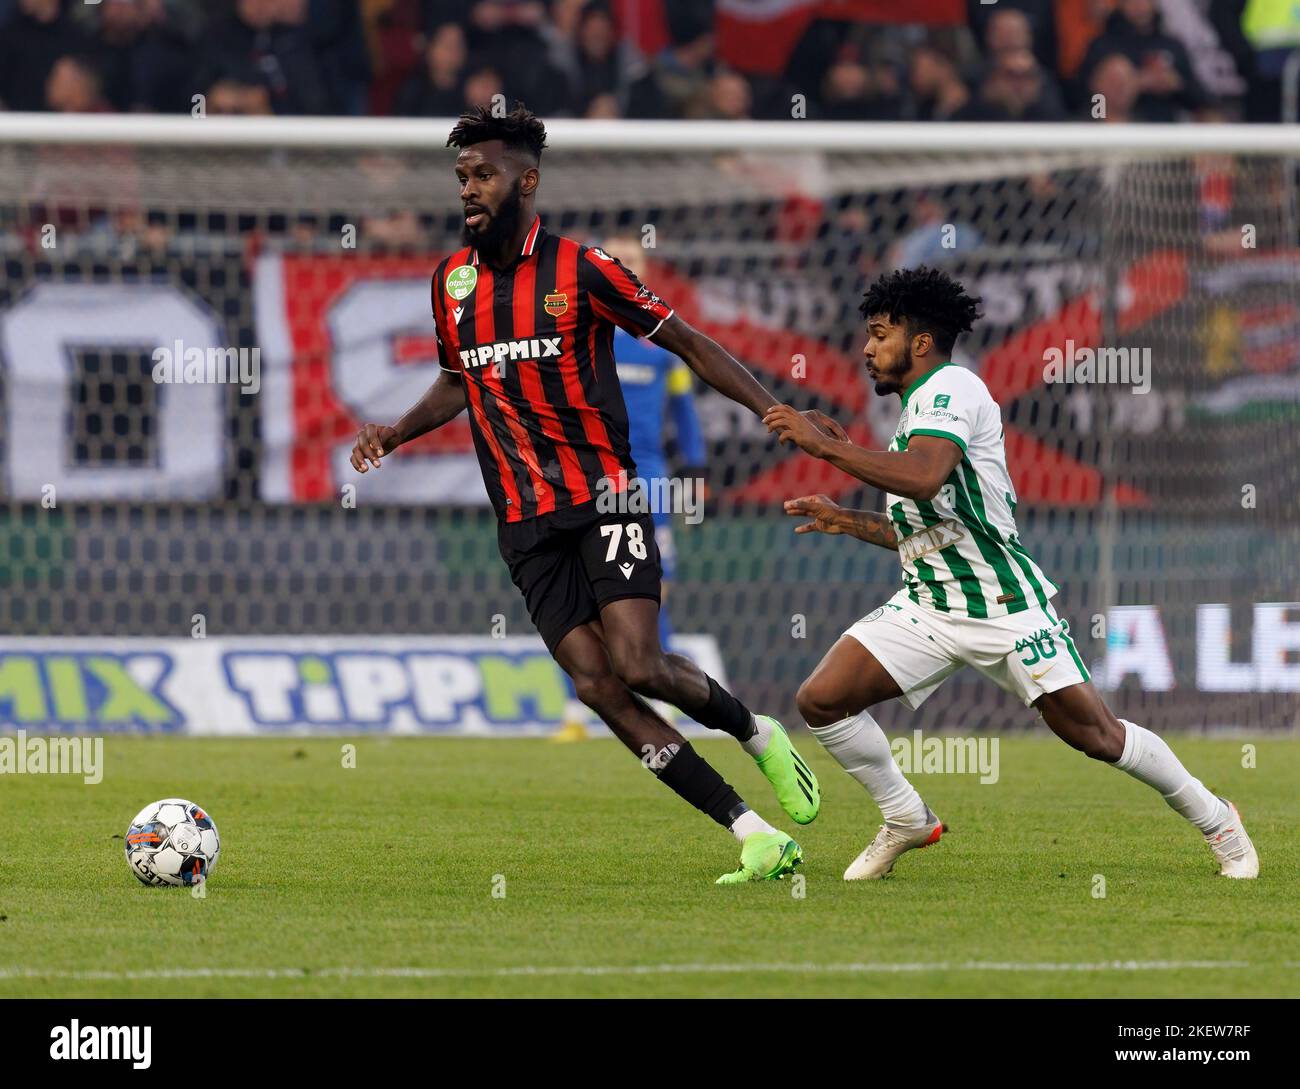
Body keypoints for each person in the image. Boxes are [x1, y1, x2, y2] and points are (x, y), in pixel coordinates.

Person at [351, 105, 840, 884]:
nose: (469, 190)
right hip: (522, 518)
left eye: (483, 175)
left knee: (639, 663)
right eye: (462, 178)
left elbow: (686, 342)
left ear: (527, 181)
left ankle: (757, 732)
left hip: (604, 497)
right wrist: (395, 432)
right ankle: (750, 830)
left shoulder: (583, 271)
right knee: (596, 684)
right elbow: (457, 382)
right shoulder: (451, 282)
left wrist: (769, 407)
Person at [764, 266, 1258, 881]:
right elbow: (922, 532)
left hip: (1004, 607)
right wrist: (846, 520)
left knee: (1098, 736)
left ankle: (1218, 818)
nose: (867, 348)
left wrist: (823, 446)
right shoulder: (914, 413)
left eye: (880, 334)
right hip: (929, 605)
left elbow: (924, 478)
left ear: (920, 343)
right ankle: (906, 817)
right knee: (822, 699)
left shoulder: (955, 390)